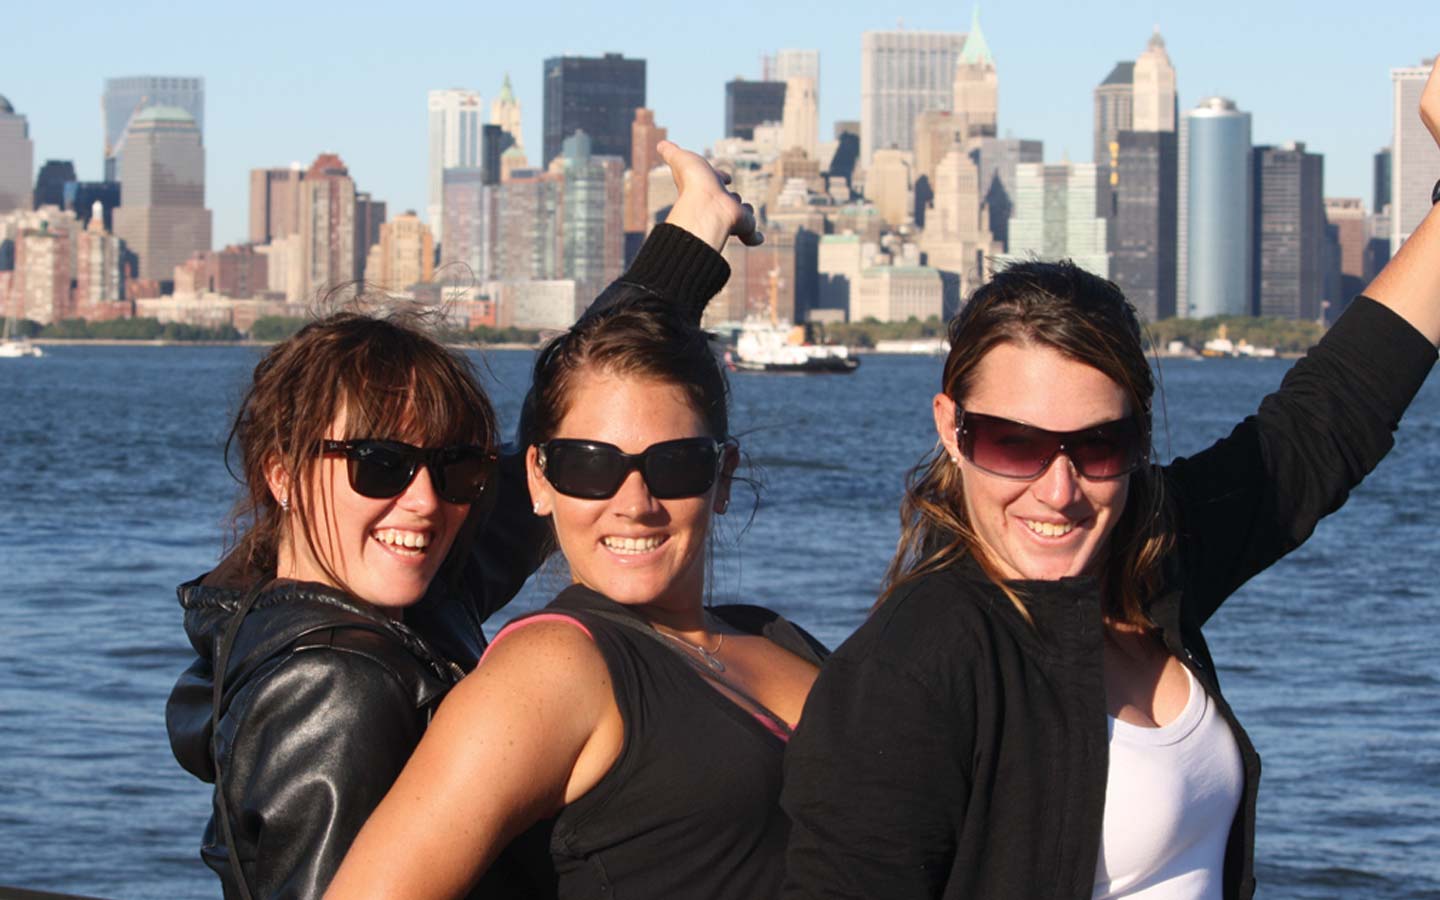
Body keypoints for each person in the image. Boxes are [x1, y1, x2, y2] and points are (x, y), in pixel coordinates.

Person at [780, 61, 1440, 900]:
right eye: (1015, 445)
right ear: (952, 428)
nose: (1058, 490)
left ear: (1139, 438)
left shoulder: (1146, 554)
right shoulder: (917, 667)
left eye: (1097, 447)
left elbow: (1325, 424)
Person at [164, 141, 761, 899]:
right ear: (280, 472)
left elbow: (568, 451)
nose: (423, 501)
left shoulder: (400, 610)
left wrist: (691, 236)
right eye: (378, 465)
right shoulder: (335, 685)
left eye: (455, 470)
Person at [324, 294, 826, 900]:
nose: (636, 504)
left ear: (721, 477)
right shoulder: (551, 669)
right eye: (589, 466)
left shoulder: (769, 632)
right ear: (539, 479)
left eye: (677, 465)